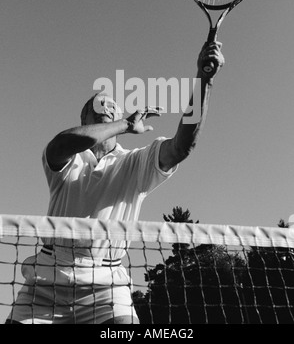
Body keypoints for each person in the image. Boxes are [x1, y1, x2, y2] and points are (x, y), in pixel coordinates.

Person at [6, 41, 224, 324]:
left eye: (111, 104)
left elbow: (182, 147)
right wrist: (124, 124)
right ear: (84, 119)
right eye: (98, 104)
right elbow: (62, 142)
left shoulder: (136, 163)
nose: (105, 106)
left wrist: (203, 79)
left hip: (106, 287)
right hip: (45, 284)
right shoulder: (66, 157)